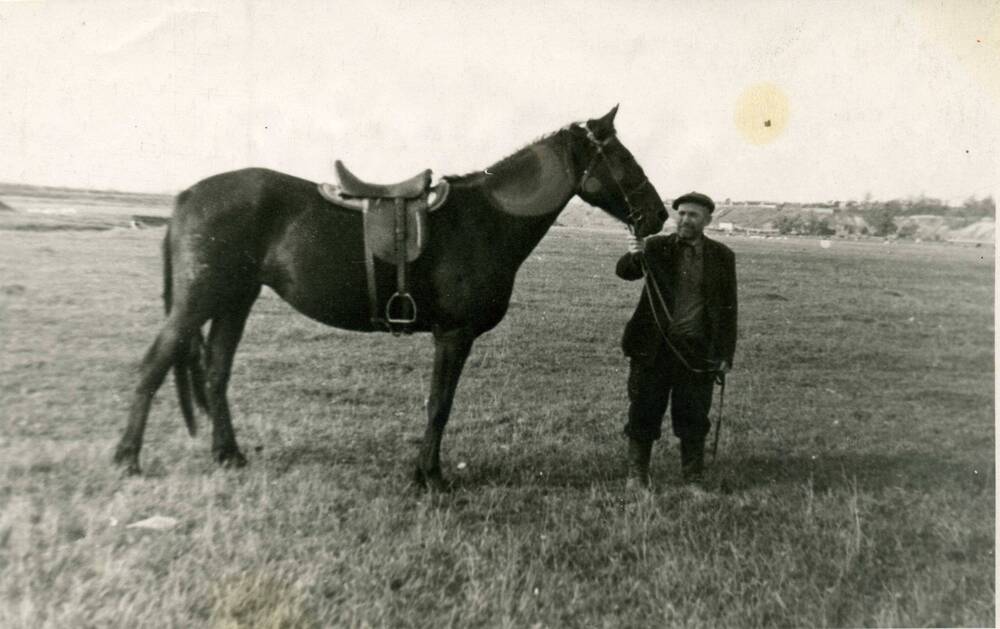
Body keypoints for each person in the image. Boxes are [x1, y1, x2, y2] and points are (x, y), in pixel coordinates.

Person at [615, 191, 737, 487]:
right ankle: (637, 477)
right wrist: (634, 252)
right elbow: (626, 272)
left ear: (707, 220)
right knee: (643, 412)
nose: (684, 219)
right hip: (652, 350)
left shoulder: (722, 256)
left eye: (692, 215)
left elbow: (728, 308)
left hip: (696, 353)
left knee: (694, 418)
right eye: (681, 213)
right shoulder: (657, 247)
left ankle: (693, 479)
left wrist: (724, 355)